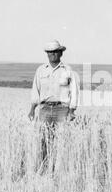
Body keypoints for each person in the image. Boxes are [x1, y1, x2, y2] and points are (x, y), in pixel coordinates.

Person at [27, 40, 79, 173]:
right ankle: (45, 169)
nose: (52, 54)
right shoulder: (40, 70)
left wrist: (71, 110)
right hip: (44, 109)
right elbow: (35, 90)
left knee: (61, 141)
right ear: (47, 54)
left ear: (61, 53)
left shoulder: (67, 70)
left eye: (55, 52)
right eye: (49, 52)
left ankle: (59, 170)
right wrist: (32, 109)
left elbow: (74, 90)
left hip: (62, 109)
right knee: (43, 140)